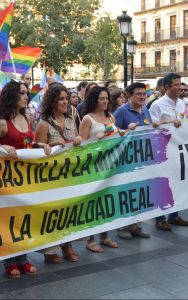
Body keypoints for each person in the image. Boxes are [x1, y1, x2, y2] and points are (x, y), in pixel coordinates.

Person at [0, 80, 50, 278]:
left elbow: (29, 143)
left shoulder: (27, 118)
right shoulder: (1, 122)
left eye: (27, 93)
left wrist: (43, 144)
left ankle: (23, 260)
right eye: (22, 93)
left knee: (24, 219)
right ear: (12, 97)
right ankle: (10, 262)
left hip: (26, 180)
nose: (27, 96)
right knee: (10, 221)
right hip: (7, 183)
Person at [35, 82, 82, 264]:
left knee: (69, 211)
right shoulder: (44, 124)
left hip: (70, 174)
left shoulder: (71, 120)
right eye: (61, 99)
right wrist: (50, 146)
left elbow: (77, 143)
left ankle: (67, 245)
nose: (65, 102)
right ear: (52, 101)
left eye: (66, 98)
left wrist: (78, 139)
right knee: (54, 213)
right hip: (51, 178)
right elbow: (37, 152)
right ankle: (50, 250)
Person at [79, 86, 118, 252]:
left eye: (106, 98)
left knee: (106, 201)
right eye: (102, 98)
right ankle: (90, 239)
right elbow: (81, 145)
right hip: (94, 167)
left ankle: (104, 235)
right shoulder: (87, 119)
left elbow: (115, 137)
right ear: (94, 100)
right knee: (93, 203)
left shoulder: (110, 117)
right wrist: (97, 140)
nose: (105, 101)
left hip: (109, 166)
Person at [149, 72, 188, 231]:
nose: (180, 87)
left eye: (181, 84)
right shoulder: (157, 105)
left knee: (176, 182)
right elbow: (151, 125)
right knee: (162, 184)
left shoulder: (181, 103)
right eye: (176, 84)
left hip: (177, 149)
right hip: (161, 151)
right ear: (167, 87)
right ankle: (159, 218)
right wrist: (167, 122)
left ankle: (174, 215)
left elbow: (184, 122)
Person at [114, 82, 151, 240]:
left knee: (140, 193)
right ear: (129, 95)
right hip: (126, 161)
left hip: (143, 159)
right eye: (138, 94)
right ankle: (122, 227)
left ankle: (136, 225)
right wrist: (126, 130)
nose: (142, 97)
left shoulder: (146, 110)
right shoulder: (121, 112)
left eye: (144, 94)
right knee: (126, 193)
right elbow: (112, 134)